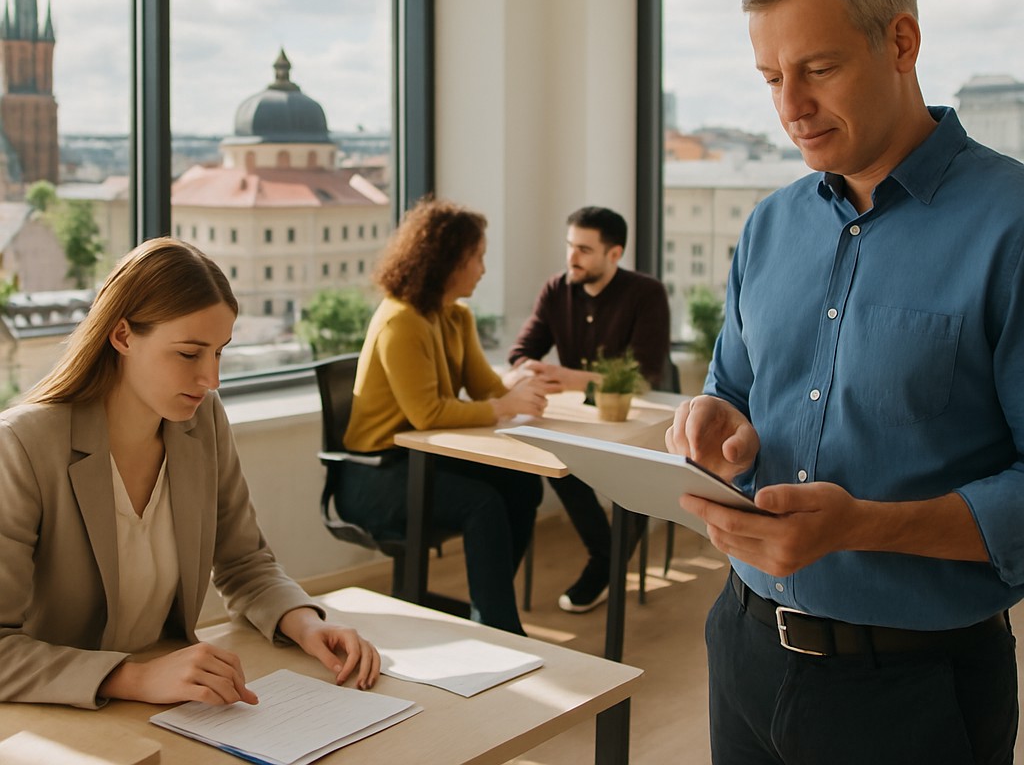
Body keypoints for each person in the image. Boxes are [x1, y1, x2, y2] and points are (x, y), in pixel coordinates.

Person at [667, 0, 1023, 765]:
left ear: (901, 42)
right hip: (743, 644)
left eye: (817, 69)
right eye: (771, 78)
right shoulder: (768, 225)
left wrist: (865, 526)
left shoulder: (1012, 226)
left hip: (915, 688)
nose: (790, 106)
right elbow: (734, 390)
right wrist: (716, 422)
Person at [0, 237, 379, 709]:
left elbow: (244, 563)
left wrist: (308, 624)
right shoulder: (22, 445)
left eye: (219, 352)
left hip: (167, 701)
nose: (211, 379)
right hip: (59, 715)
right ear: (122, 336)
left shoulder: (201, 421)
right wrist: (134, 678)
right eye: (189, 354)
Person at [338, 198, 550, 635]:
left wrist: (518, 386)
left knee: (523, 483)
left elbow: (484, 386)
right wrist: (503, 406)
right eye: (477, 258)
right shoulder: (401, 321)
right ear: (447, 262)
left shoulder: (455, 315)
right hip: (374, 476)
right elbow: (428, 413)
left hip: (421, 462)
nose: (483, 269)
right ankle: (500, 626)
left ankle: (488, 612)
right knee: (483, 502)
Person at [507, 206, 670, 612]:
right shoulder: (556, 290)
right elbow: (521, 352)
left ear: (614, 254)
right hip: (583, 419)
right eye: (569, 246)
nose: (572, 258)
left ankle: (604, 563)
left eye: (584, 249)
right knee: (552, 453)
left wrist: (569, 377)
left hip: (641, 417)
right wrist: (533, 369)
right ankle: (607, 559)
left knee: (636, 479)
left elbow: (644, 378)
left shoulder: (646, 294)